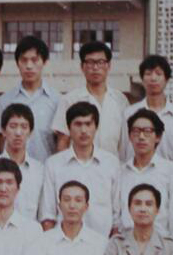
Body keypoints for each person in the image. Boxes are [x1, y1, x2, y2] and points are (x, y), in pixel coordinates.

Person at [41, 101, 121, 238]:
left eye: (88, 124)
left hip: (103, 243)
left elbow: (117, 215)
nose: (84, 130)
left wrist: (112, 244)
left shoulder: (111, 163)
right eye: (78, 124)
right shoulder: (54, 164)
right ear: (69, 128)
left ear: (96, 127)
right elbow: (48, 215)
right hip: (63, 244)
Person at [118, 109, 173, 245]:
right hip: (126, 245)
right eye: (136, 131)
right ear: (130, 136)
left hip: (161, 246)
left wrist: (171, 248)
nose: (141, 137)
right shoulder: (120, 172)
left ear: (158, 137)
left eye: (147, 131)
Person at [52, 41, 129, 157]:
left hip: (112, 165)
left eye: (100, 62)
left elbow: (125, 143)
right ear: (82, 67)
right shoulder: (70, 100)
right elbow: (63, 141)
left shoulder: (120, 100)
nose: (95, 67)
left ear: (109, 66)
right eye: (90, 62)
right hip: (78, 166)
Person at [0, 35, 61, 162]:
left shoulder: (57, 100)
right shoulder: (4, 101)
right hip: (12, 170)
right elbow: (1, 140)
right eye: (24, 60)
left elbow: (61, 141)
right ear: (17, 63)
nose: (29, 66)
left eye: (35, 60)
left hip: (45, 169)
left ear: (44, 62)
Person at [119, 55, 173, 164]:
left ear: (167, 79)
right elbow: (124, 153)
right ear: (142, 79)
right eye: (148, 74)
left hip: (167, 174)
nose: (153, 78)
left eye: (158, 74)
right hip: (136, 172)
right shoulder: (129, 113)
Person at [0, 103, 44, 220]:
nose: (18, 133)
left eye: (24, 127)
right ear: (3, 130)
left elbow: (43, 214)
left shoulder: (39, 170)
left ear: (30, 132)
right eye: (13, 126)